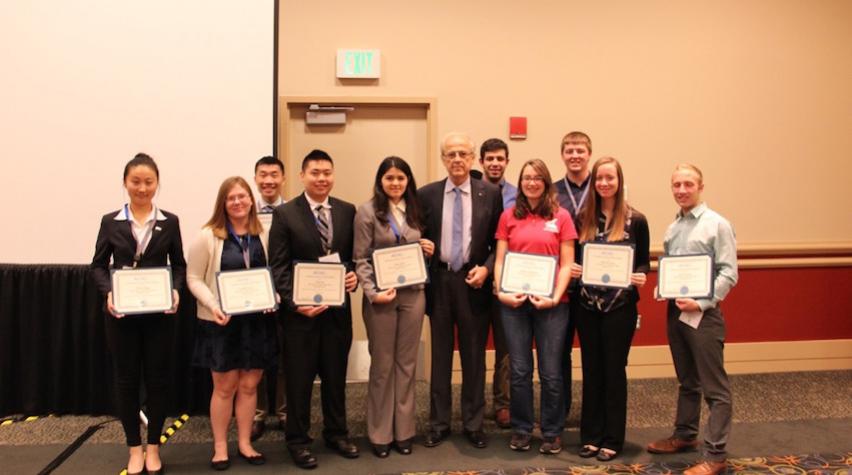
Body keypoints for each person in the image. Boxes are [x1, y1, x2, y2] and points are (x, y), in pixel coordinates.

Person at [90, 153, 185, 475]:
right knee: (126, 380)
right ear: (125, 183)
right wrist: (109, 292)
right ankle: (134, 447)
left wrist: (175, 289)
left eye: (149, 182)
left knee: (158, 380)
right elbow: (98, 266)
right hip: (122, 316)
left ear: (157, 183)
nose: (142, 188)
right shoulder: (110, 221)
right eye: (136, 182)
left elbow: (180, 266)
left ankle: (154, 447)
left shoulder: (169, 221)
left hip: (160, 316)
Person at [268, 149, 360, 469]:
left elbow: (353, 258)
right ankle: (297, 439)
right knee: (299, 379)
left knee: (335, 377)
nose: (322, 178)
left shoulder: (348, 211)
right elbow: (277, 268)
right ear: (302, 175)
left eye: (327, 172)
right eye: (315, 173)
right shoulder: (286, 214)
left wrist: (353, 277)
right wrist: (296, 303)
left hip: (337, 313)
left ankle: (336, 432)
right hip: (300, 317)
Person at [646, 164, 738, 475]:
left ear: (700, 186)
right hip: (676, 311)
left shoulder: (717, 225)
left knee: (715, 389)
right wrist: (663, 288)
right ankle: (685, 435)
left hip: (704, 315)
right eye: (676, 185)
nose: (681, 190)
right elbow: (671, 267)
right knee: (687, 380)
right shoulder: (674, 227)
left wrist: (702, 302)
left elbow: (729, 273)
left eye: (688, 184)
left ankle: (715, 454)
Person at [187, 176, 278, 470]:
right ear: (223, 204)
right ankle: (220, 447)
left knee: (250, 386)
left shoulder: (265, 233)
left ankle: (245, 443)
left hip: (257, 323)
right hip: (221, 322)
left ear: (252, 200)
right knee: (224, 387)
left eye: (242, 196)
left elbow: (273, 272)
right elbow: (193, 278)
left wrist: (273, 294)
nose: (238, 202)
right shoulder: (208, 236)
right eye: (231, 198)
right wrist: (212, 305)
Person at [419, 132, 503, 449]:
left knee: (473, 356)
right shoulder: (426, 195)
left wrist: (488, 268)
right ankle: (439, 423)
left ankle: (473, 422)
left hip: (474, 281)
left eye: (463, 154)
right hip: (439, 282)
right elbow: (416, 236)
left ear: (472, 159)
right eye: (450, 154)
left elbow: (499, 243)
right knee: (440, 356)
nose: (457, 159)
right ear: (443, 159)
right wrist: (420, 246)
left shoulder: (490, 194)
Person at [353, 156, 435, 458]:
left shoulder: (416, 210)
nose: (396, 183)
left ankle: (404, 431)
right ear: (380, 181)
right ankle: (379, 433)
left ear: (408, 181)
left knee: (407, 365)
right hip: (382, 298)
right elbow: (360, 259)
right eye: (389, 178)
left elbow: (418, 250)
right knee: (383, 366)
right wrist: (373, 293)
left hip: (413, 295)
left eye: (401, 178)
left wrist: (428, 249)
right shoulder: (366, 212)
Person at [493, 159, 575, 454]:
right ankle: (522, 428)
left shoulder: (562, 216)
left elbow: (567, 264)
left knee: (551, 372)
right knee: (519, 370)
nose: (531, 183)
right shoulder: (508, 217)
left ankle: (552, 432)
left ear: (546, 182)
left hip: (552, 305)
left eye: (537, 178)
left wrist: (554, 296)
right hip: (514, 304)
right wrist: (501, 292)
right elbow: (501, 260)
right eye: (526, 178)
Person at [572, 157, 650, 461]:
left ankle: (612, 438)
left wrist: (640, 274)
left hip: (620, 307)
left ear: (619, 181)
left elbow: (643, 260)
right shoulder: (583, 217)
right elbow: (576, 256)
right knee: (591, 370)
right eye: (599, 178)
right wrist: (576, 268)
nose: (604, 183)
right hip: (587, 305)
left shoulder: (636, 220)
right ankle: (590, 436)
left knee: (614, 371)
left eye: (610, 178)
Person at [554, 131, 593, 423]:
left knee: (593, 352)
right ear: (563, 155)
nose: (575, 155)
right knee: (559, 351)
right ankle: (561, 407)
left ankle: (594, 411)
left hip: (596, 285)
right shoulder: (552, 193)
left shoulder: (604, 188)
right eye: (569, 150)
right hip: (562, 284)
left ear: (588, 153)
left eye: (580, 150)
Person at [477, 138, 516, 428]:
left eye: (500, 158)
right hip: (478, 277)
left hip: (511, 276)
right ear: (481, 162)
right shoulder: (473, 191)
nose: (494, 163)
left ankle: (503, 403)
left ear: (507, 161)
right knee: (475, 342)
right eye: (489, 158)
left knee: (506, 345)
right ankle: (475, 401)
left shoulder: (519, 194)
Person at [251, 156, 287, 441]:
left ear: (283, 178)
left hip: (286, 293)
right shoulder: (245, 212)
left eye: (274, 174)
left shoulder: (294, 212)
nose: (269, 180)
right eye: (263, 175)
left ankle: (285, 412)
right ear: (255, 179)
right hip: (254, 296)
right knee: (258, 356)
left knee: (287, 355)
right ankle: (259, 414)